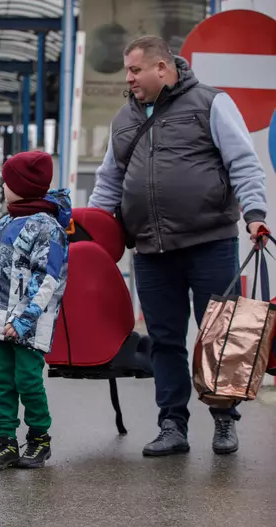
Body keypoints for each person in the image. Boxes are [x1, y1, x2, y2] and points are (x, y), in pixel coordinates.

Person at [88, 36, 269, 457]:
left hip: (210, 242)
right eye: (127, 70)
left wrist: (255, 214)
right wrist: (95, 234)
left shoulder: (211, 103)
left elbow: (243, 161)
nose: (128, 78)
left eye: (135, 70)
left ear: (162, 69)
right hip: (151, 250)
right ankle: (172, 424)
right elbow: (108, 183)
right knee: (165, 340)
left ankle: (225, 419)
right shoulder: (123, 120)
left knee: (220, 336)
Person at [0, 151, 71, 471]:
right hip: (0, 318)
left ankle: (39, 437)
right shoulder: (5, 222)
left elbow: (48, 277)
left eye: (8, 180)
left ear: (22, 185)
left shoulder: (47, 227)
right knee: (3, 380)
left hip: (29, 323)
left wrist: (24, 319)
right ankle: (6, 439)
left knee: (28, 379)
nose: (4, 186)